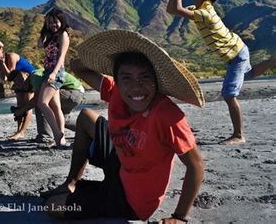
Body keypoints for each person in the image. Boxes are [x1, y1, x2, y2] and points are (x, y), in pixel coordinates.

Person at [41, 30, 204, 223]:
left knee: (52, 206)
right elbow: (78, 67)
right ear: (116, 81)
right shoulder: (117, 92)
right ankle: (71, 182)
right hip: (122, 157)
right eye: (126, 78)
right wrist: (107, 58)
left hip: (131, 199)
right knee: (85, 116)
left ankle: (91, 192)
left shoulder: (166, 114)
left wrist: (179, 217)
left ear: (156, 81)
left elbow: (196, 166)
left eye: (145, 77)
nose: (136, 87)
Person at [166, 0, 276, 145]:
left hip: (236, 54)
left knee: (229, 94)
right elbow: (172, 9)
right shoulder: (199, 9)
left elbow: (178, 8)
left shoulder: (205, 13)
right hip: (238, 50)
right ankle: (273, 60)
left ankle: (239, 135)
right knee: (250, 74)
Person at [11, 68, 85, 144]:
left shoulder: (35, 77)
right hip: (77, 93)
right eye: (17, 83)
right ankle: (87, 129)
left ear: (26, 74)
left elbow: (37, 99)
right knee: (61, 119)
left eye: (20, 79)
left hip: (73, 91)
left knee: (41, 102)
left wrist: (21, 111)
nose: (20, 83)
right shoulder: (33, 79)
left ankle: (45, 136)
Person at [36, 8, 70, 148]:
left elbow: (61, 57)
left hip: (56, 72)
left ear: (61, 21)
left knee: (42, 103)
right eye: (49, 22)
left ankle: (57, 134)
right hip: (48, 71)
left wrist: (54, 73)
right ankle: (61, 138)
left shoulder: (63, 35)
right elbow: (39, 45)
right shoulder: (50, 36)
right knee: (56, 106)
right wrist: (44, 31)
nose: (53, 25)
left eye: (55, 21)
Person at [0, 42, 36, 140]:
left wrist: (2, 64)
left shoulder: (11, 56)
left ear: (1, 49)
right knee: (20, 106)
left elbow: (11, 75)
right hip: (19, 82)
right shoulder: (0, 61)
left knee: (27, 106)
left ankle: (22, 132)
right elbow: (4, 79)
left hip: (29, 79)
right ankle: (18, 130)